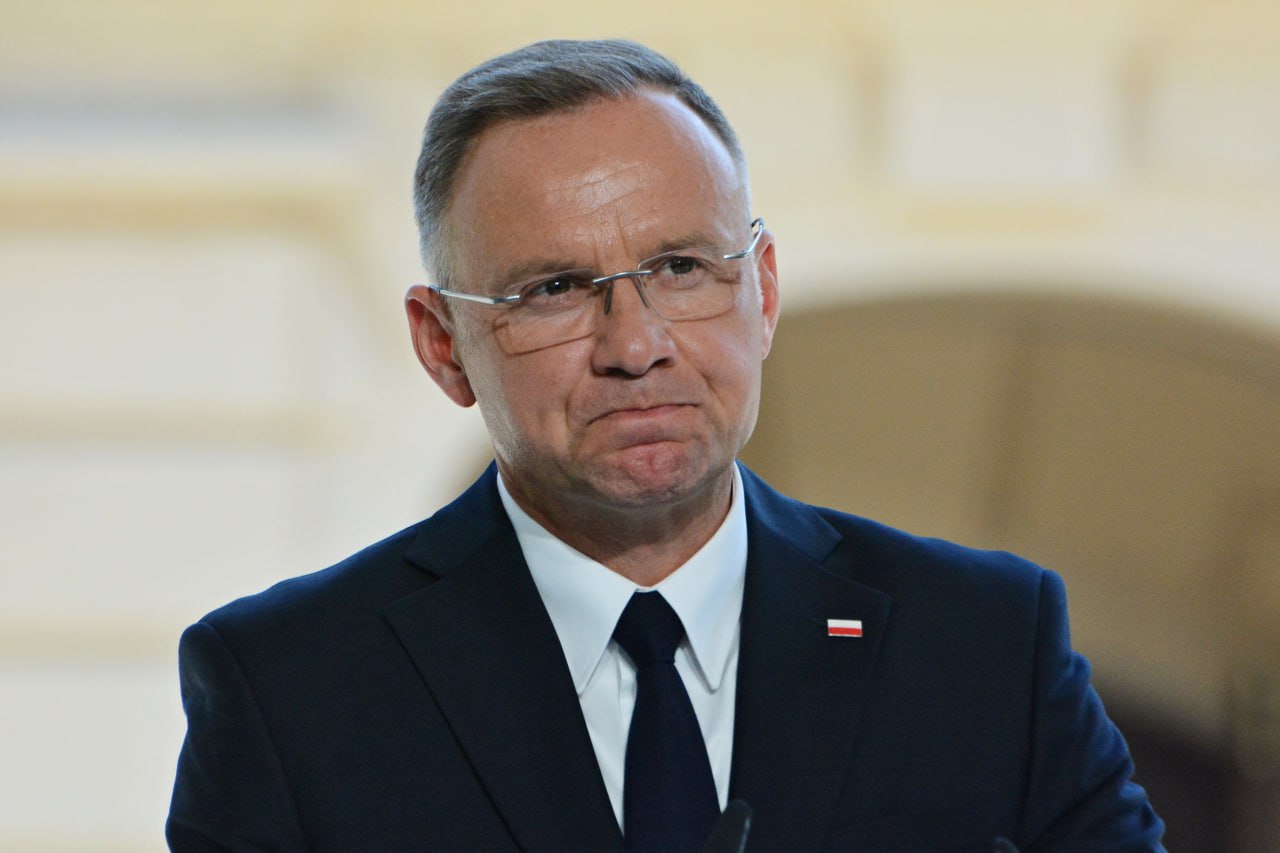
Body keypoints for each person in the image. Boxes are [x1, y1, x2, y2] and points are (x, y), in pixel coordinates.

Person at [167, 39, 1165, 852]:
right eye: (554, 289)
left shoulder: (984, 646)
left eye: (681, 267)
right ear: (444, 346)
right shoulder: (289, 688)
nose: (635, 346)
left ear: (761, 290)